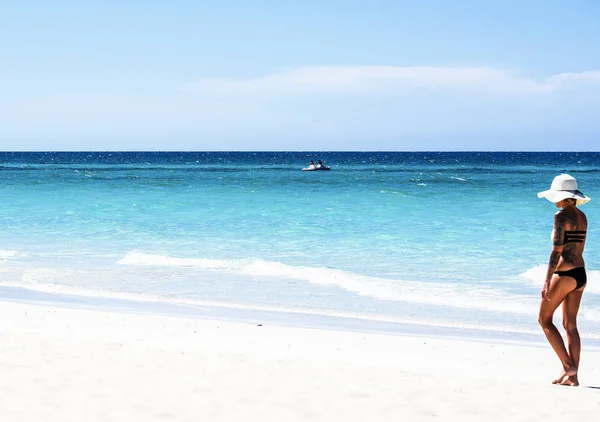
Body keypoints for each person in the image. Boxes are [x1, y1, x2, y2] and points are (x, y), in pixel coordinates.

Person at [537, 174, 591, 387]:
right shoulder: (582, 216)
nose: (555, 201)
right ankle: (573, 377)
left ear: (563, 197)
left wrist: (547, 280)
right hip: (581, 274)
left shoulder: (560, 216)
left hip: (565, 274)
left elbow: (556, 251)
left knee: (544, 320)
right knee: (570, 325)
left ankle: (568, 366)